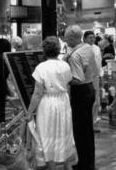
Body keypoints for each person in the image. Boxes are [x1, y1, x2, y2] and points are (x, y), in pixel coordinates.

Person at [25, 36, 76, 170]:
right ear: (58, 49)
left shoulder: (41, 67)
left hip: (47, 103)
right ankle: (67, 165)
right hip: (63, 101)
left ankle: (51, 166)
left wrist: (29, 112)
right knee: (64, 131)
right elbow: (68, 85)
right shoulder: (65, 65)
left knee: (47, 134)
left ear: (44, 50)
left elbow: (37, 93)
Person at [64, 25, 97, 170]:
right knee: (88, 129)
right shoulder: (88, 48)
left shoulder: (74, 55)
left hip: (80, 91)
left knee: (80, 129)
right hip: (90, 88)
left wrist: (63, 78)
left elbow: (77, 79)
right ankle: (89, 162)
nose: (65, 41)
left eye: (67, 38)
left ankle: (84, 164)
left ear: (72, 38)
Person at [84, 31, 103, 133]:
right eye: (90, 38)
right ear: (85, 39)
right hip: (86, 78)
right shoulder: (82, 49)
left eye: (93, 38)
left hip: (95, 77)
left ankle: (94, 122)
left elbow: (99, 63)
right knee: (87, 101)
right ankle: (86, 124)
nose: (92, 39)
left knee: (96, 101)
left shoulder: (97, 49)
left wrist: (100, 76)